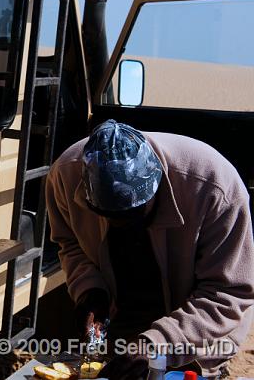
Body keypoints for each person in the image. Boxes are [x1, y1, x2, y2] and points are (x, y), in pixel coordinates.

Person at [46, 120, 254, 379]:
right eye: (106, 215)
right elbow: (70, 244)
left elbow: (228, 293)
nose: (119, 226)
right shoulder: (65, 176)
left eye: (133, 216)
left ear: (156, 184)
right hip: (125, 319)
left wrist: (156, 346)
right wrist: (91, 292)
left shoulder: (214, 187)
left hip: (195, 330)